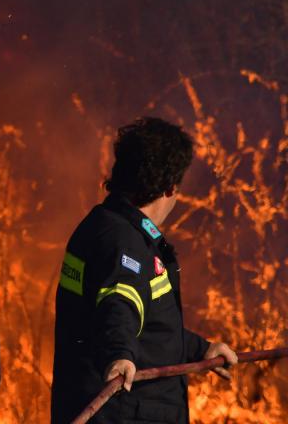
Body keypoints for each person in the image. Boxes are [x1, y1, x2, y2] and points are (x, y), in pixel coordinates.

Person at [51, 117, 238, 423]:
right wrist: (119, 354)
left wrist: (201, 349)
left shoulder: (106, 226)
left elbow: (145, 320)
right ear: (169, 187)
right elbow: (119, 300)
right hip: (125, 413)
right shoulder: (123, 241)